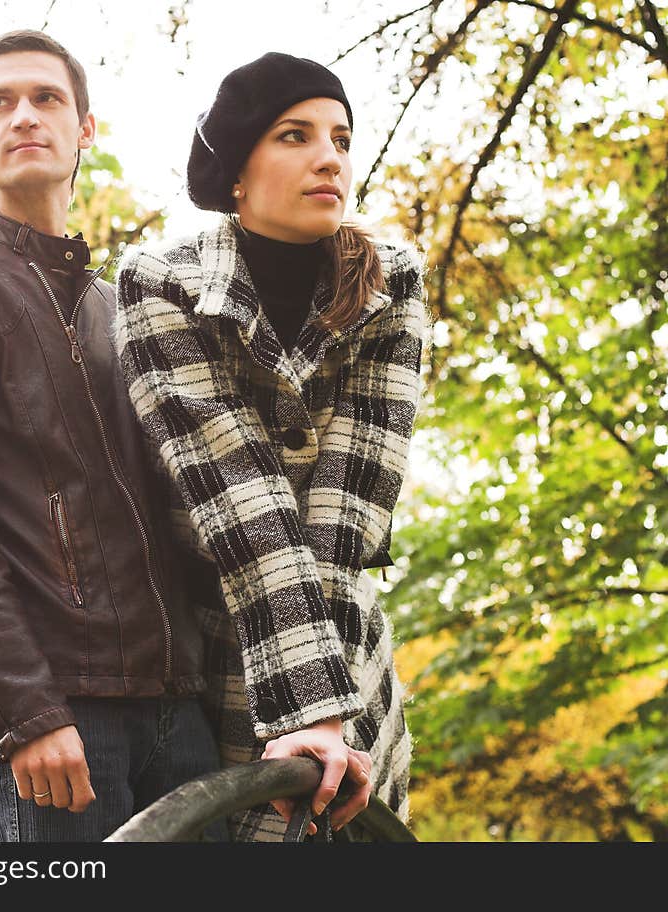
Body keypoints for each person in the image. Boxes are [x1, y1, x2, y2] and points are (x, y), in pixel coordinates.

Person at [0, 29, 222, 843]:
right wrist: (23, 708)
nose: (24, 115)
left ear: (84, 128)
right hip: (59, 716)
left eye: (47, 98)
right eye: (0, 102)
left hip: (177, 709)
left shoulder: (116, 306)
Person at [115, 51, 429, 841]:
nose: (330, 157)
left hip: (347, 646)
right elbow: (239, 498)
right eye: (295, 135)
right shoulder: (161, 283)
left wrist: (326, 715)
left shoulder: (395, 283)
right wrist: (302, 710)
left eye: (341, 137)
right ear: (235, 174)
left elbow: (347, 511)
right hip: (220, 651)